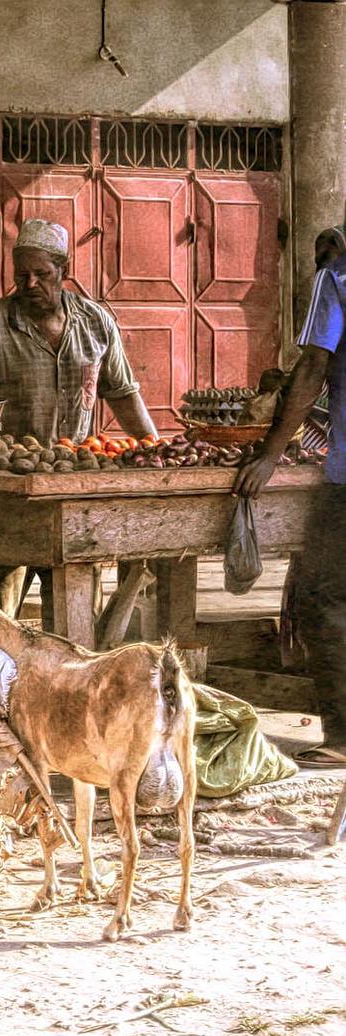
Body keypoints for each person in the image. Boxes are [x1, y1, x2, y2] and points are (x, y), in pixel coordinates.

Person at [235, 226, 346, 769]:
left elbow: (312, 370)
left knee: (325, 598)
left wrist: (271, 453)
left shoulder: (338, 279)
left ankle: (344, 737)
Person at [0, 219, 158, 445]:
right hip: (12, 465)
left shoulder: (96, 322)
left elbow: (123, 394)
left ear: (64, 270)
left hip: (76, 462)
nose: (30, 284)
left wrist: (155, 449)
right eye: (22, 275)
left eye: (41, 274)